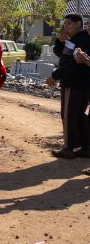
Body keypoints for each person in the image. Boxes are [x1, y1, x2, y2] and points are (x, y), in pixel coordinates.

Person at [46, 13, 90, 158]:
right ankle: (86, 146)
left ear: (78, 24)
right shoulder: (73, 39)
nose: (66, 26)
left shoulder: (82, 40)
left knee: (69, 116)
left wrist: (55, 75)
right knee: (78, 115)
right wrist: (60, 41)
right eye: (65, 23)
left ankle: (69, 148)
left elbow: (73, 65)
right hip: (77, 83)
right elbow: (62, 54)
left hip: (74, 83)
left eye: (69, 23)